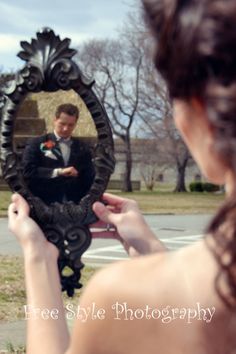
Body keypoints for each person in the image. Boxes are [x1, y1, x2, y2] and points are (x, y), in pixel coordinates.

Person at [7, 0, 236, 353]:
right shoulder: (39, 143)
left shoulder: (120, 297)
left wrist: (38, 258)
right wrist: (152, 252)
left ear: (198, 123)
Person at [22, 103, 95, 204]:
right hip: (43, 203)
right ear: (55, 121)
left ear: (76, 124)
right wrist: (58, 172)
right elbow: (27, 171)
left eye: (71, 125)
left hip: (75, 206)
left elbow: (89, 178)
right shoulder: (37, 143)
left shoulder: (83, 148)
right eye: (62, 124)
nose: (66, 128)